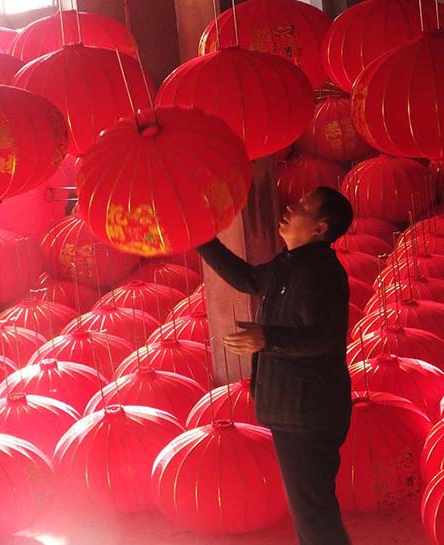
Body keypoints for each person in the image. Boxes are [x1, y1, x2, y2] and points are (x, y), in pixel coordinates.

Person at [197, 186, 354, 545]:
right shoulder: (290, 263)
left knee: (313, 511)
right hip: (292, 406)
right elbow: (247, 278)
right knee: (310, 507)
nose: (290, 208)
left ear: (319, 228)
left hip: (309, 409)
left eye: (302, 207)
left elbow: (325, 337)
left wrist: (267, 338)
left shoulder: (321, 272)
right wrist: (200, 237)